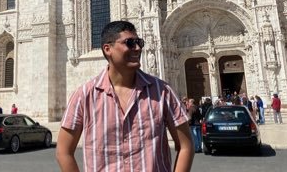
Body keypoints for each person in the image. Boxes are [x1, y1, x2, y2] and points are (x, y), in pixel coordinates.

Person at [56, 20, 194, 172]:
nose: (137, 48)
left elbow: (185, 146)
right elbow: (63, 152)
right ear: (108, 49)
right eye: (129, 43)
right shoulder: (84, 95)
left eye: (139, 42)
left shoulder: (162, 91)